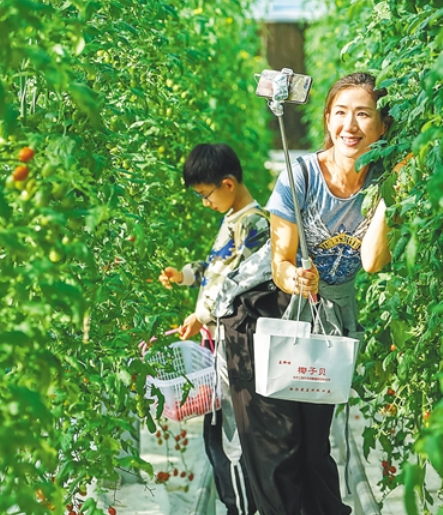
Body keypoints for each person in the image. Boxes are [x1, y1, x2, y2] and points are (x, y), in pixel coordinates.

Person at [217, 72, 393, 515]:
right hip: (265, 314)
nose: (349, 126)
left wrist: (391, 191)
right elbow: (279, 263)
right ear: (327, 119)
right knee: (278, 448)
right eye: (340, 113)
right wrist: (295, 276)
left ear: (382, 126)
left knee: (314, 448)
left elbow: (371, 262)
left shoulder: (381, 183)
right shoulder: (300, 177)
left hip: (326, 318)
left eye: (363, 115)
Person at [158, 143, 265, 515]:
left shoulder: (255, 224)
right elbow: (214, 266)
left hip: (235, 345)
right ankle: (236, 503)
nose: (206, 203)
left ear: (228, 184)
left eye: (207, 195)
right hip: (220, 340)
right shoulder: (234, 221)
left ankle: (242, 507)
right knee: (215, 431)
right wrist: (185, 275)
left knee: (228, 437)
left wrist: (201, 315)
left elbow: (238, 284)